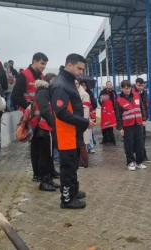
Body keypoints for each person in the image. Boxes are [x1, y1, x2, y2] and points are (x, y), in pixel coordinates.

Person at [50, 53, 96, 209]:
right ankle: (67, 199)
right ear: (69, 65)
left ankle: (73, 190)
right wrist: (84, 122)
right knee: (68, 167)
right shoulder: (60, 84)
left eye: (82, 69)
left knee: (74, 164)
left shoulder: (69, 82)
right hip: (65, 134)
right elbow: (61, 112)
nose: (80, 72)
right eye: (79, 68)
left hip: (73, 132)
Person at [12, 52, 48, 182]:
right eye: (42, 63)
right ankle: (36, 174)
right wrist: (29, 106)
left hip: (41, 115)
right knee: (35, 146)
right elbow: (15, 95)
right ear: (34, 61)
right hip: (30, 116)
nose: (44, 66)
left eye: (45, 64)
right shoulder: (24, 76)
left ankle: (43, 172)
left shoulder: (41, 76)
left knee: (42, 145)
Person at [30, 79, 60, 191]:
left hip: (43, 128)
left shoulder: (42, 92)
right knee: (45, 156)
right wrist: (54, 123)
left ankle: (47, 179)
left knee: (47, 155)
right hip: (44, 128)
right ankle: (44, 181)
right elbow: (45, 110)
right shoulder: (43, 93)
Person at [116, 80, 147, 171]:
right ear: (122, 88)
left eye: (129, 88)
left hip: (138, 123)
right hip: (127, 125)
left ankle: (139, 162)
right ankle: (130, 162)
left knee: (139, 143)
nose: (128, 90)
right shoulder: (119, 100)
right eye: (126, 88)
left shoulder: (137, 96)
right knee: (129, 144)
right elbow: (118, 115)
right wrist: (120, 127)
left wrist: (144, 119)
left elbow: (142, 108)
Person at [132, 78, 151, 162]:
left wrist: (144, 117)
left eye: (142, 85)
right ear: (136, 84)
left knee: (142, 137)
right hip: (134, 119)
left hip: (141, 119)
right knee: (135, 138)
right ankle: (134, 154)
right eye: (139, 85)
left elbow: (145, 105)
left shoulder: (144, 93)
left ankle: (143, 155)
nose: (140, 87)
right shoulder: (132, 93)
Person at [44, 73, 60, 165]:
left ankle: (56, 157)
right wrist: (52, 120)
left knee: (55, 139)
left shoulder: (53, 91)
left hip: (53, 119)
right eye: (53, 80)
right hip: (48, 121)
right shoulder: (45, 92)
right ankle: (56, 158)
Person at [76, 80, 90, 169]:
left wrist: (84, 122)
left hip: (81, 122)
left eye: (76, 83)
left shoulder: (84, 94)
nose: (75, 85)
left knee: (82, 143)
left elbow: (86, 109)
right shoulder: (74, 93)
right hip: (76, 120)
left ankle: (83, 162)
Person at [80, 81, 97, 154]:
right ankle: (86, 147)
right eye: (82, 85)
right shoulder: (78, 93)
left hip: (89, 115)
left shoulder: (89, 94)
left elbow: (94, 104)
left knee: (89, 132)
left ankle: (90, 147)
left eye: (85, 85)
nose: (84, 87)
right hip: (81, 115)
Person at [99, 81, 117, 145]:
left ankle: (112, 140)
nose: (110, 85)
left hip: (112, 111)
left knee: (110, 127)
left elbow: (116, 100)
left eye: (110, 84)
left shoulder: (114, 92)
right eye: (108, 84)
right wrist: (105, 108)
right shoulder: (103, 92)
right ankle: (105, 140)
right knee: (104, 127)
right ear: (106, 85)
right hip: (105, 111)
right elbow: (100, 100)